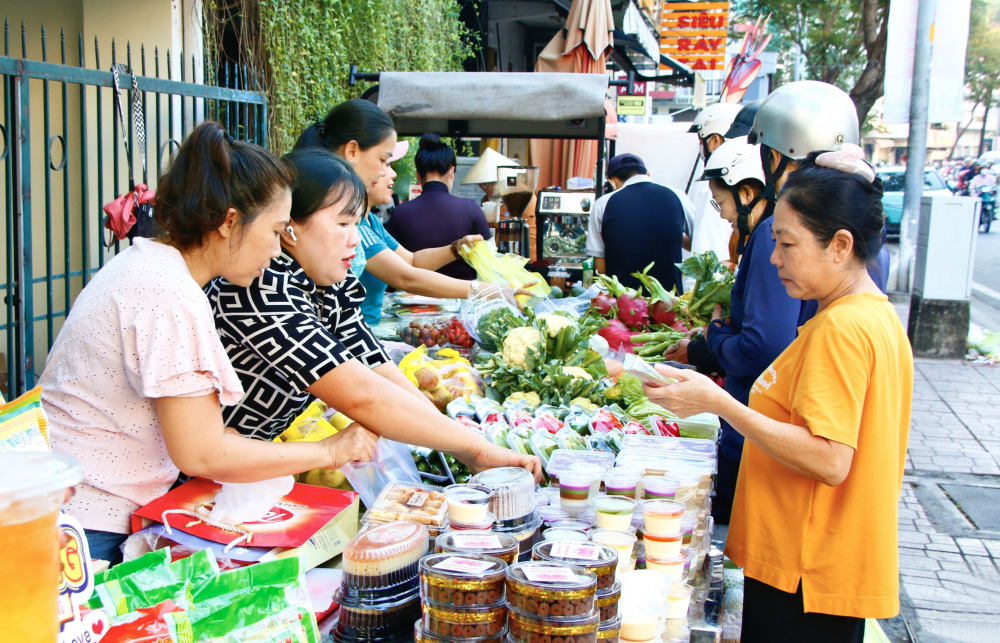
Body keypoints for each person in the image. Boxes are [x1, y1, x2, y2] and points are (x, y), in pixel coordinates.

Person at [39, 123, 379, 564]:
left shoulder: (153, 269)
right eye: (276, 232)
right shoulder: (169, 294)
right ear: (230, 222)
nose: (278, 251)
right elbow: (202, 451)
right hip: (88, 520)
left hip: (80, 506)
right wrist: (330, 450)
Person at [645, 149, 913, 643]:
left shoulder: (843, 327)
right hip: (820, 566)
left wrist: (720, 403)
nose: (774, 259)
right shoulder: (872, 314)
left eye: (786, 244)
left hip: (806, 572)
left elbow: (830, 458)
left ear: (839, 244)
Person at [207, 148, 542, 479]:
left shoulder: (331, 284)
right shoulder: (261, 288)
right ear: (289, 228)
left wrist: (465, 448)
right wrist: (478, 449)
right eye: (342, 224)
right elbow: (362, 396)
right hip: (201, 476)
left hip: (242, 472)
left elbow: (380, 373)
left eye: (357, 224)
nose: (355, 240)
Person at [666, 139, 804, 525]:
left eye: (720, 201)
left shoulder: (765, 238)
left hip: (753, 418)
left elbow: (763, 344)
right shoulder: (764, 236)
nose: (722, 213)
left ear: (746, 193)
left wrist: (713, 337)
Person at [296, 100, 518, 325]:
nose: (389, 173)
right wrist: (492, 290)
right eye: (384, 161)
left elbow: (411, 262)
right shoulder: (344, 220)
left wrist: (456, 248)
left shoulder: (367, 219)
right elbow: (406, 277)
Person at [748, 80, 890, 294]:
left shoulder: (785, 226)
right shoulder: (868, 223)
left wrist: (718, 327)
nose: (776, 257)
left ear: (774, 157)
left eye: (785, 244)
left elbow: (771, 326)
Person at [387, 134, 492, 281]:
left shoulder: (400, 213)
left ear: (418, 175)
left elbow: (391, 264)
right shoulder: (471, 209)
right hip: (462, 296)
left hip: (413, 298)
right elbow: (488, 262)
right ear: (451, 171)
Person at [586, 153, 692, 292]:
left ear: (611, 181)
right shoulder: (677, 196)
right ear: (647, 175)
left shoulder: (603, 203)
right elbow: (698, 243)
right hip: (671, 303)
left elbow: (600, 266)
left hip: (624, 305)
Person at [686, 102, 747, 258]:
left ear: (714, 141)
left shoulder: (716, 188)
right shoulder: (749, 180)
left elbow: (704, 258)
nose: (700, 146)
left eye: (701, 140)